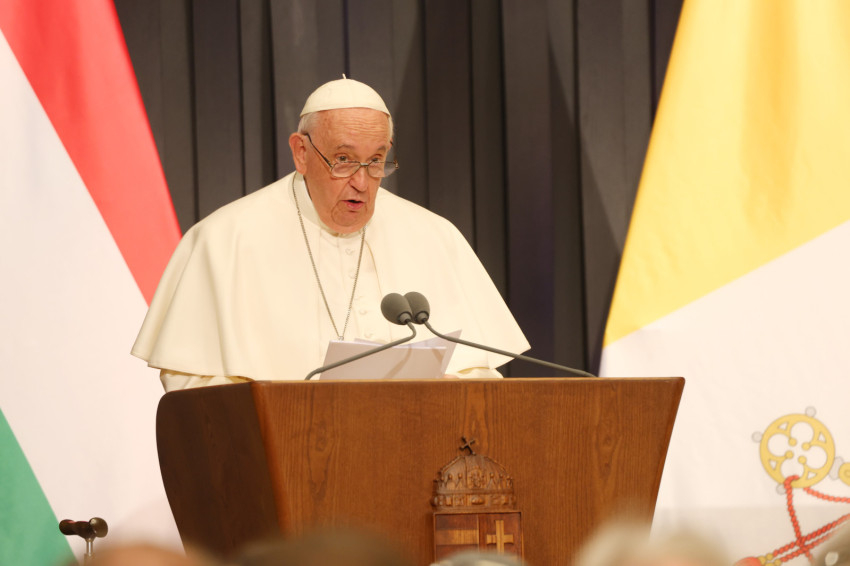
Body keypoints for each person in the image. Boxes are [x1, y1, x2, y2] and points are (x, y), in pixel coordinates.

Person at [132, 78, 529, 391]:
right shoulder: (224, 240)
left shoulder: (434, 236)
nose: (362, 182)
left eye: (376, 161)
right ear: (301, 153)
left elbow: (478, 374)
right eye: (343, 160)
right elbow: (193, 386)